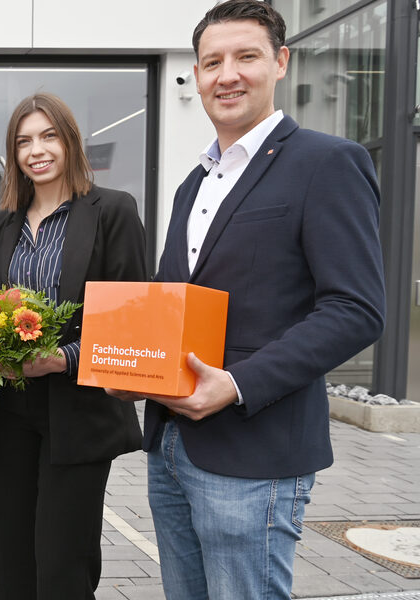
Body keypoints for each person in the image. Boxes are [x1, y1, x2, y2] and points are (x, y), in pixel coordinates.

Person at [107, 1, 386, 597]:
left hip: (254, 449)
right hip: (172, 444)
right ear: (198, 75)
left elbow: (356, 309)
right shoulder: (195, 182)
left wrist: (236, 385)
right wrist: (128, 360)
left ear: (281, 62)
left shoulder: (327, 163)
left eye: (245, 57)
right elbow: (175, 302)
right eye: (212, 62)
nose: (226, 74)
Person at [0, 92, 146, 598]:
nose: (37, 150)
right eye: (24, 141)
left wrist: (62, 359)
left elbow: (130, 319)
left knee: (62, 565)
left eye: (48, 136)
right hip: (11, 412)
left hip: (79, 411)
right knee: (12, 560)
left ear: (70, 141)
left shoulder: (112, 210)